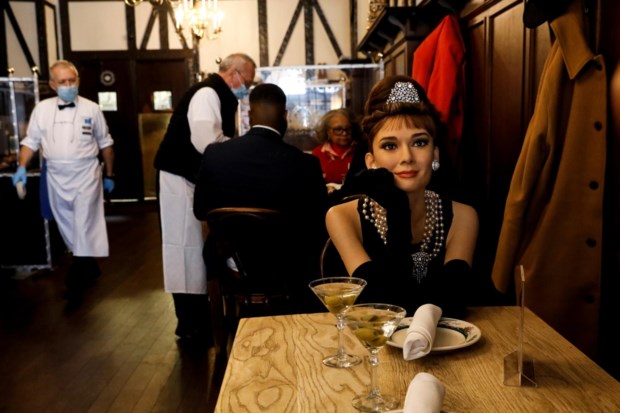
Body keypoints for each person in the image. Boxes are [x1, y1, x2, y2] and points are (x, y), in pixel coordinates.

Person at [325, 75, 478, 318]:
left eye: (419, 142)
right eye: (390, 146)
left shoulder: (463, 216)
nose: (406, 157)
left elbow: (454, 302)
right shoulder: (340, 216)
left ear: (435, 155)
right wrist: (398, 210)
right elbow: (379, 307)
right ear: (371, 162)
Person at [194, 83, 329, 313]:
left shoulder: (215, 154)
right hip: (287, 266)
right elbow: (319, 220)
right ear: (285, 115)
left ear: (249, 115)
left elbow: (200, 210)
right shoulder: (305, 164)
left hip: (231, 262)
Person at [153, 53, 256, 342]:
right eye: (247, 81)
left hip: (192, 177)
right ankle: (189, 324)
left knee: (193, 250)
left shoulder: (218, 94)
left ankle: (199, 320)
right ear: (234, 73)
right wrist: (240, 152)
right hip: (177, 177)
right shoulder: (207, 93)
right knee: (182, 248)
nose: (246, 87)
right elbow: (207, 142)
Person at [12, 60, 115, 293]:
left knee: (83, 221)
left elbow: (106, 144)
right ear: (52, 84)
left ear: (78, 80)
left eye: (72, 80)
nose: (68, 85)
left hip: (86, 173)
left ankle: (75, 279)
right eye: (62, 82)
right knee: (66, 223)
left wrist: (109, 174)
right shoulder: (42, 109)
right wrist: (21, 166)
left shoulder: (92, 109)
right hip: (56, 176)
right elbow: (30, 142)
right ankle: (88, 264)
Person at [311, 109, 360, 188]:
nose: (344, 133)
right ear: (328, 131)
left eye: (348, 129)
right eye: (338, 129)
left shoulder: (361, 151)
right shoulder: (318, 153)